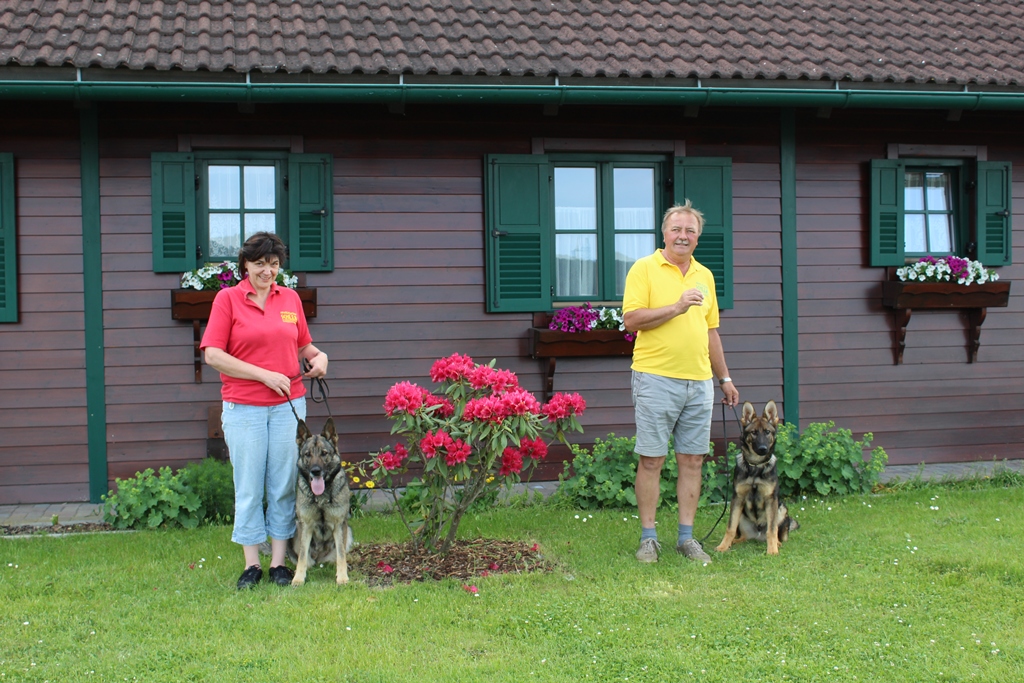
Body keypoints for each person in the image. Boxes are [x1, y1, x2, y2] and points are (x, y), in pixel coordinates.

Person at [200, 232, 328, 589]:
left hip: (289, 407)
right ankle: (251, 565)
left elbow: (304, 345)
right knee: (249, 487)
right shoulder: (228, 300)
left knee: (284, 486)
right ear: (245, 265)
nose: (267, 271)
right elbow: (213, 354)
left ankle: (278, 564)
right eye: (260, 264)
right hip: (245, 409)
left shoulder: (289, 300)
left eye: (273, 264)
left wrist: (320, 357)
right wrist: (263, 375)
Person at [622, 200, 740, 564]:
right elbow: (631, 320)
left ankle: (687, 539)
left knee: (692, 460)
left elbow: (711, 332)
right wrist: (675, 306)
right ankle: (648, 539)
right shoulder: (644, 269)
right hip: (655, 378)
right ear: (664, 233)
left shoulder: (704, 275)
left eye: (690, 231)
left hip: (699, 382)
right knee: (652, 460)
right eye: (677, 229)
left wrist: (724, 378)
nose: (683, 236)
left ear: (698, 237)